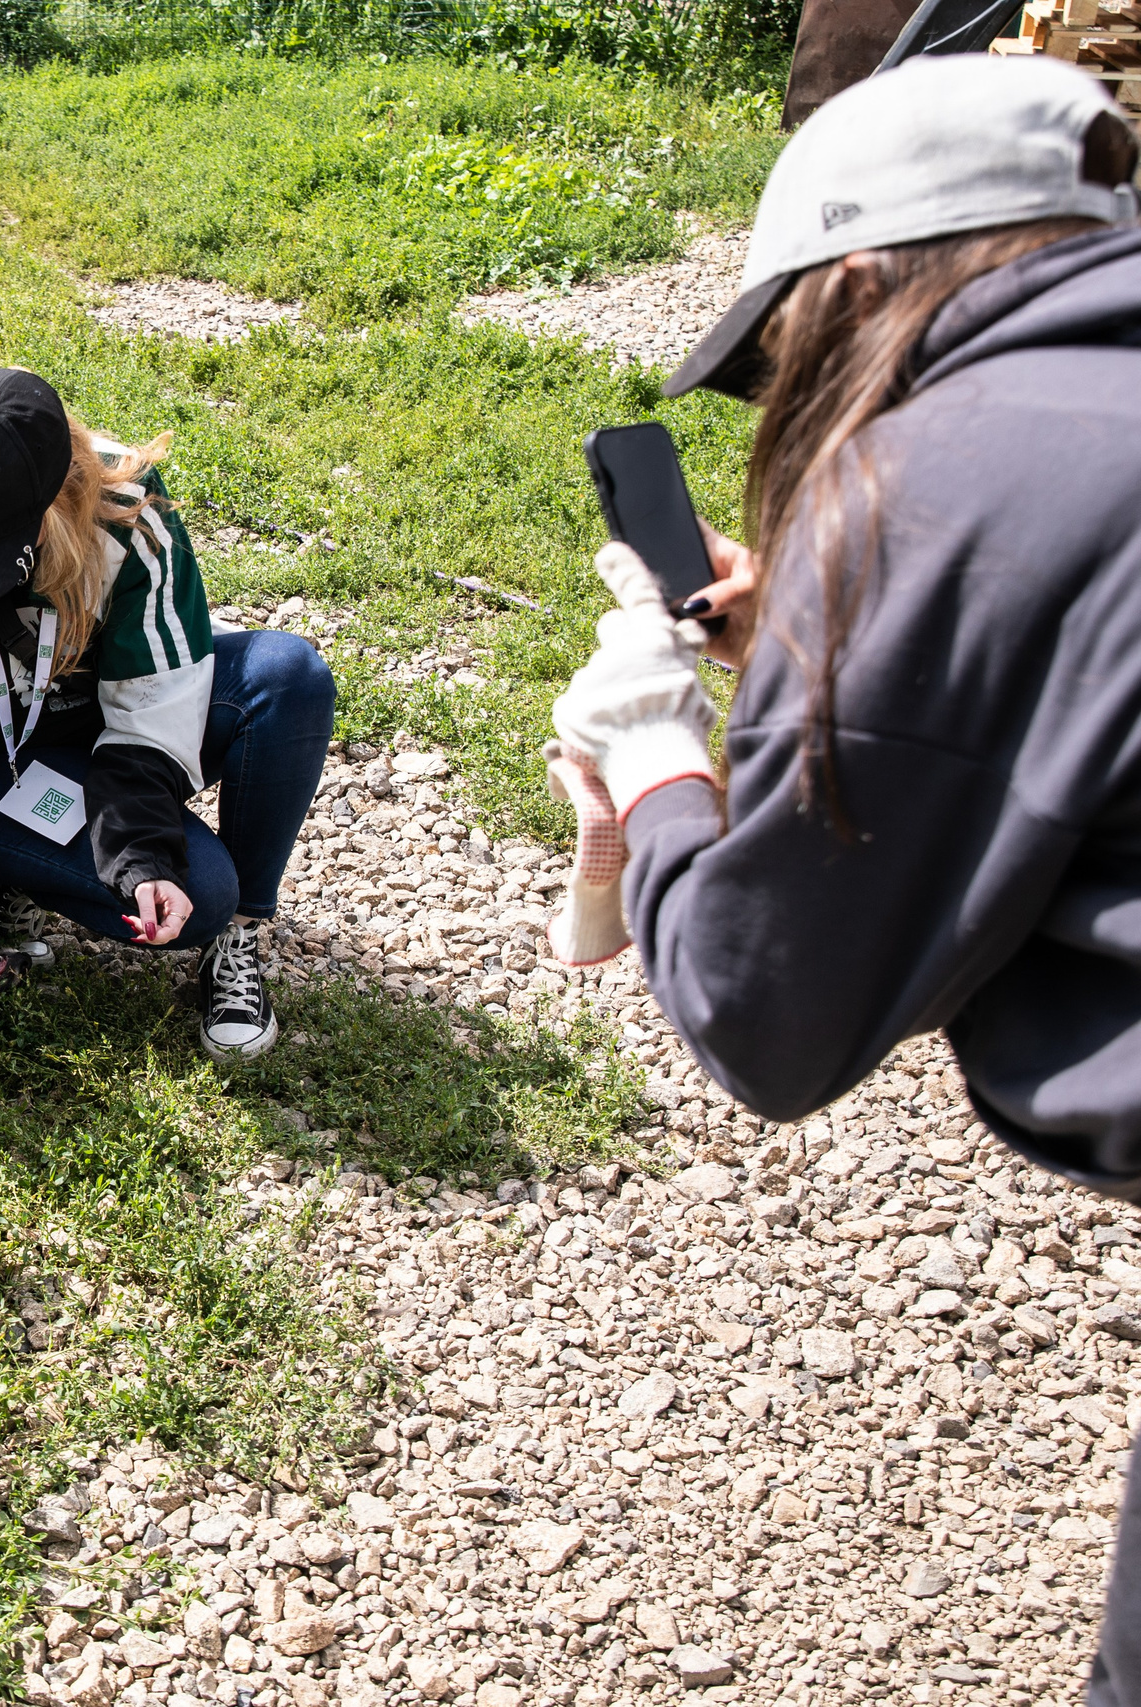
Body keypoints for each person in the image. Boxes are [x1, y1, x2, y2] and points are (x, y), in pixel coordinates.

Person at [542, 56, 1140, 1704]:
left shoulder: (938, 482)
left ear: (862, 280)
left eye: (785, 344)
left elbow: (767, 1002)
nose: (784, 393)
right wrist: (820, 655)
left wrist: (658, 758)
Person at [0, 368, 336, 1060]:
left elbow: (152, 706)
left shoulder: (128, 514)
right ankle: (13, 874)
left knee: (288, 678)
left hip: (108, 737)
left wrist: (140, 854)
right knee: (203, 889)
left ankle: (240, 938)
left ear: (52, 508)